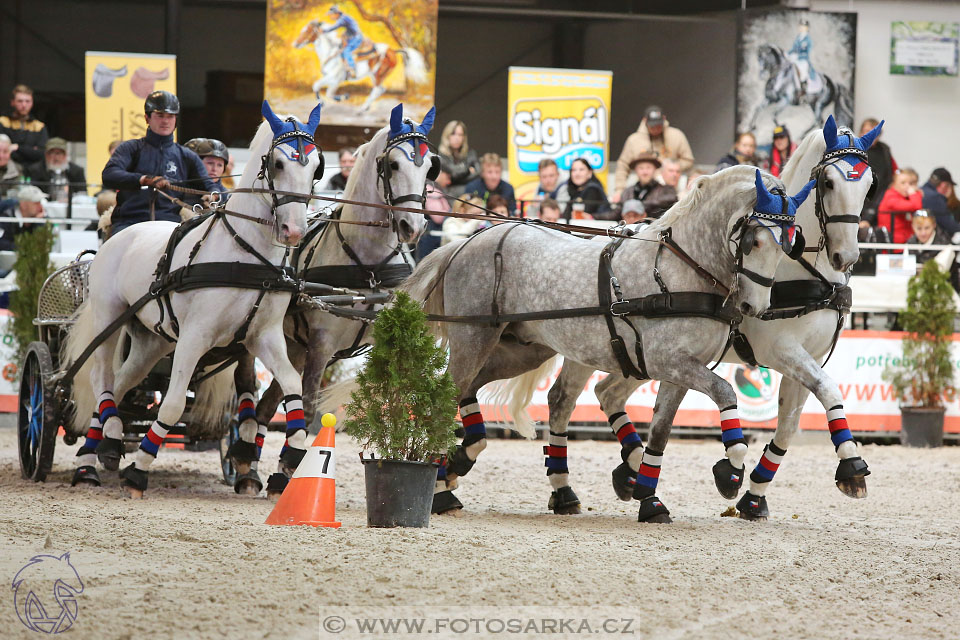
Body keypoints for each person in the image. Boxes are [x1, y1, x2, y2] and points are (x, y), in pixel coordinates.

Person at [102, 90, 216, 236]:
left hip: (171, 226)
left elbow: (210, 185)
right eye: (160, 115)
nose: (165, 121)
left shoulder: (187, 156)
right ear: (147, 118)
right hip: (129, 223)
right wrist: (143, 179)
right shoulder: (130, 148)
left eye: (170, 116)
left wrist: (214, 195)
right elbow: (109, 174)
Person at [613, 105, 694, 200]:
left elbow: (688, 160)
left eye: (658, 124)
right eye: (652, 125)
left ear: (664, 119)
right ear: (644, 121)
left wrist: (670, 167)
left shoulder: (676, 136)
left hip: (671, 191)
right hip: (643, 191)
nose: (656, 128)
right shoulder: (634, 140)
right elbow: (623, 166)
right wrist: (619, 190)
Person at [25, 137, 86, 203]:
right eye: (51, 153)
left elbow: (82, 194)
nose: (55, 157)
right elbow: (31, 193)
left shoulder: (77, 171)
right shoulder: (35, 170)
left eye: (58, 153)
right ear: (46, 155)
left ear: (65, 155)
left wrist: (71, 199)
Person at [0, 84, 48, 165]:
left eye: (27, 101)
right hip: (7, 171)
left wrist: (17, 148)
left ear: (32, 103)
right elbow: (2, 152)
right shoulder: (2, 122)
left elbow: (42, 154)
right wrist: (31, 151)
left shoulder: (39, 126)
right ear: (12, 102)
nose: (24, 105)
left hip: (32, 173)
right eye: (20, 101)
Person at [619, 152, 677, 219]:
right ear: (636, 170)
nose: (645, 172)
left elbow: (671, 200)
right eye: (641, 168)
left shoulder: (666, 190)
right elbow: (617, 212)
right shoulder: (627, 192)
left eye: (648, 168)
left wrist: (638, 205)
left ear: (655, 169)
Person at [860, 117, 896, 211]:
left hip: (881, 195)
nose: (871, 135)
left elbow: (895, 170)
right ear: (861, 133)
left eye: (874, 133)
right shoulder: (854, 149)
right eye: (867, 131)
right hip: (860, 196)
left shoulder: (884, 149)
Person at [878, 168, 922, 243]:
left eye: (910, 183)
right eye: (903, 183)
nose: (907, 186)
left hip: (904, 242)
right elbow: (916, 207)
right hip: (894, 246)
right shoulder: (890, 197)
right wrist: (914, 194)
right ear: (894, 184)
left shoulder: (903, 196)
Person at [560, 157, 611, 222]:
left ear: (590, 173)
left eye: (581, 169)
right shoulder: (573, 191)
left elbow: (583, 218)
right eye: (574, 170)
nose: (577, 173)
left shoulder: (592, 189)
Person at [437, 120, 479, 197]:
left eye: (460, 135)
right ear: (447, 135)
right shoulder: (440, 155)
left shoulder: (470, 153)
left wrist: (457, 177)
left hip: (468, 194)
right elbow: (453, 174)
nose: (457, 138)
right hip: (448, 195)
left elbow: (477, 173)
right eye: (453, 134)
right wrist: (468, 171)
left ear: (464, 137)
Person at [0, 184, 47, 251]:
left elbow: (44, 244)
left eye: (40, 202)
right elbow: (1, 243)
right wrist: (23, 248)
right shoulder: (7, 219)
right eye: (36, 203)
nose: (40, 206)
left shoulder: (41, 218)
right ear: (23, 205)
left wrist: (38, 223)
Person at [323, 5, 364, 79]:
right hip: (351, 36)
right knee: (340, 49)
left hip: (356, 38)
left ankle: (352, 69)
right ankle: (344, 68)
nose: (330, 17)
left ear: (336, 14)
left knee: (346, 50)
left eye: (331, 15)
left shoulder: (342, 19)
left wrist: (324, 30)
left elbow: (335, 26)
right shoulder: (343, 18)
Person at [921, 168, 960, 239]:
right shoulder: (935, 197)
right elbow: (950, 225)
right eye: (947, 185)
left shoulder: (921, 191)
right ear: (943, 184)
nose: (947, 189)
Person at [416, 182, 451, 260]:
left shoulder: (432, 189)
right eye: (447, 177)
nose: (449, 181)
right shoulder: (430, 190)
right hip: (431, 235)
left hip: (432, 233)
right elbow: (438, 217)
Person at [787, 18, 815, 96]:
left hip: (803, 60)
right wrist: (787, 54)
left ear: (807, 28)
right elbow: (793, 48)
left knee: (803, 72)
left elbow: (807, 52)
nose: (801, 28)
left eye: (803, 26)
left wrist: (798, 56)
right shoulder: (798, 37)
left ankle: (803, 89)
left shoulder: (808, 39)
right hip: (795, 58)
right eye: (800, 26)